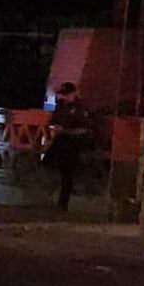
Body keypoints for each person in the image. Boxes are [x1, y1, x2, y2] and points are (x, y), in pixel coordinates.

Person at [48, 82, 90, 212]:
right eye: (64, 95)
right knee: (57, 167)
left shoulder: (79, 109)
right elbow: (53, 121)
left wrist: (66, 131)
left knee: (67, 172)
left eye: (67, 94)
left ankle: (63, 202)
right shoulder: (61, 107)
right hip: (61, 142)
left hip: (73, 143)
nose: (65, 97)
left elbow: (84, 129)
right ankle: (54, 198)